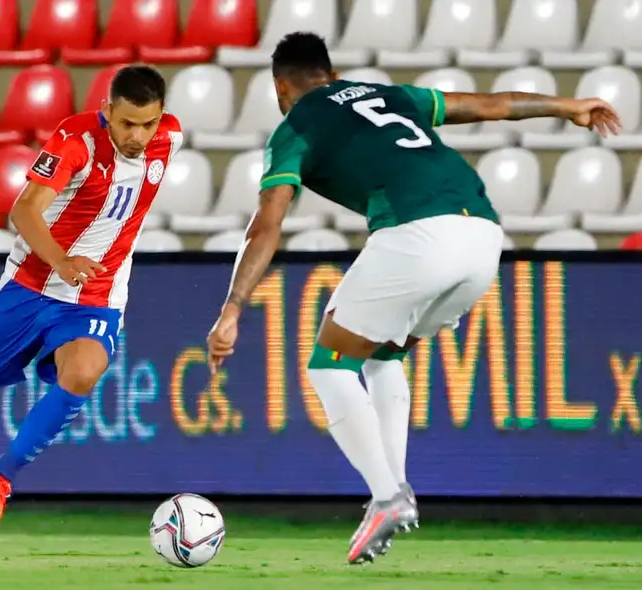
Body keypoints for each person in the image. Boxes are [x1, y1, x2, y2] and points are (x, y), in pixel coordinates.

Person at [205, 32, 621, 565]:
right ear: (331, 74)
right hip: (483, 237)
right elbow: (489, 106)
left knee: (328, 367)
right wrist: (568, 106)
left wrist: (233, 306)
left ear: (281, 87)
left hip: (416, 235)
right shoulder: (389, 95)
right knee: (383, 356)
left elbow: (267, 223)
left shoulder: (296, 126)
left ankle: (386, 496)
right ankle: (395, 488)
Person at [0, 65, 184, 528]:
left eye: (148, 124)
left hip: (96, 295)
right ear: (107, 111)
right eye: (127, 123)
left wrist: (80, 271)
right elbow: (24, 210)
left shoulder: (171, 138)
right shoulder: (75, 141)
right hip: (30, 286)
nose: (138, 136)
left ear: (162, 118)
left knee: (83, 372)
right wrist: (62, 261)